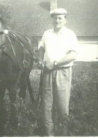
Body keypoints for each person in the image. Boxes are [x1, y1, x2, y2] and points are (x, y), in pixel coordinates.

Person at [37, 8, 78, 136]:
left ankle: (62, 134)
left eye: (60, 18)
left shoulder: (70, 34)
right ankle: (50, 135)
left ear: (65, 20)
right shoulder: (47, 34)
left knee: (62, 107)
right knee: (46, 107)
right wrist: (40, 60)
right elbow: (41, 48)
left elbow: (73, 55)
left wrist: (55, 63)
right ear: (52, 19)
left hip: (63, 72)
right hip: (47, 73)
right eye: (55, 18)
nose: (57, 20)